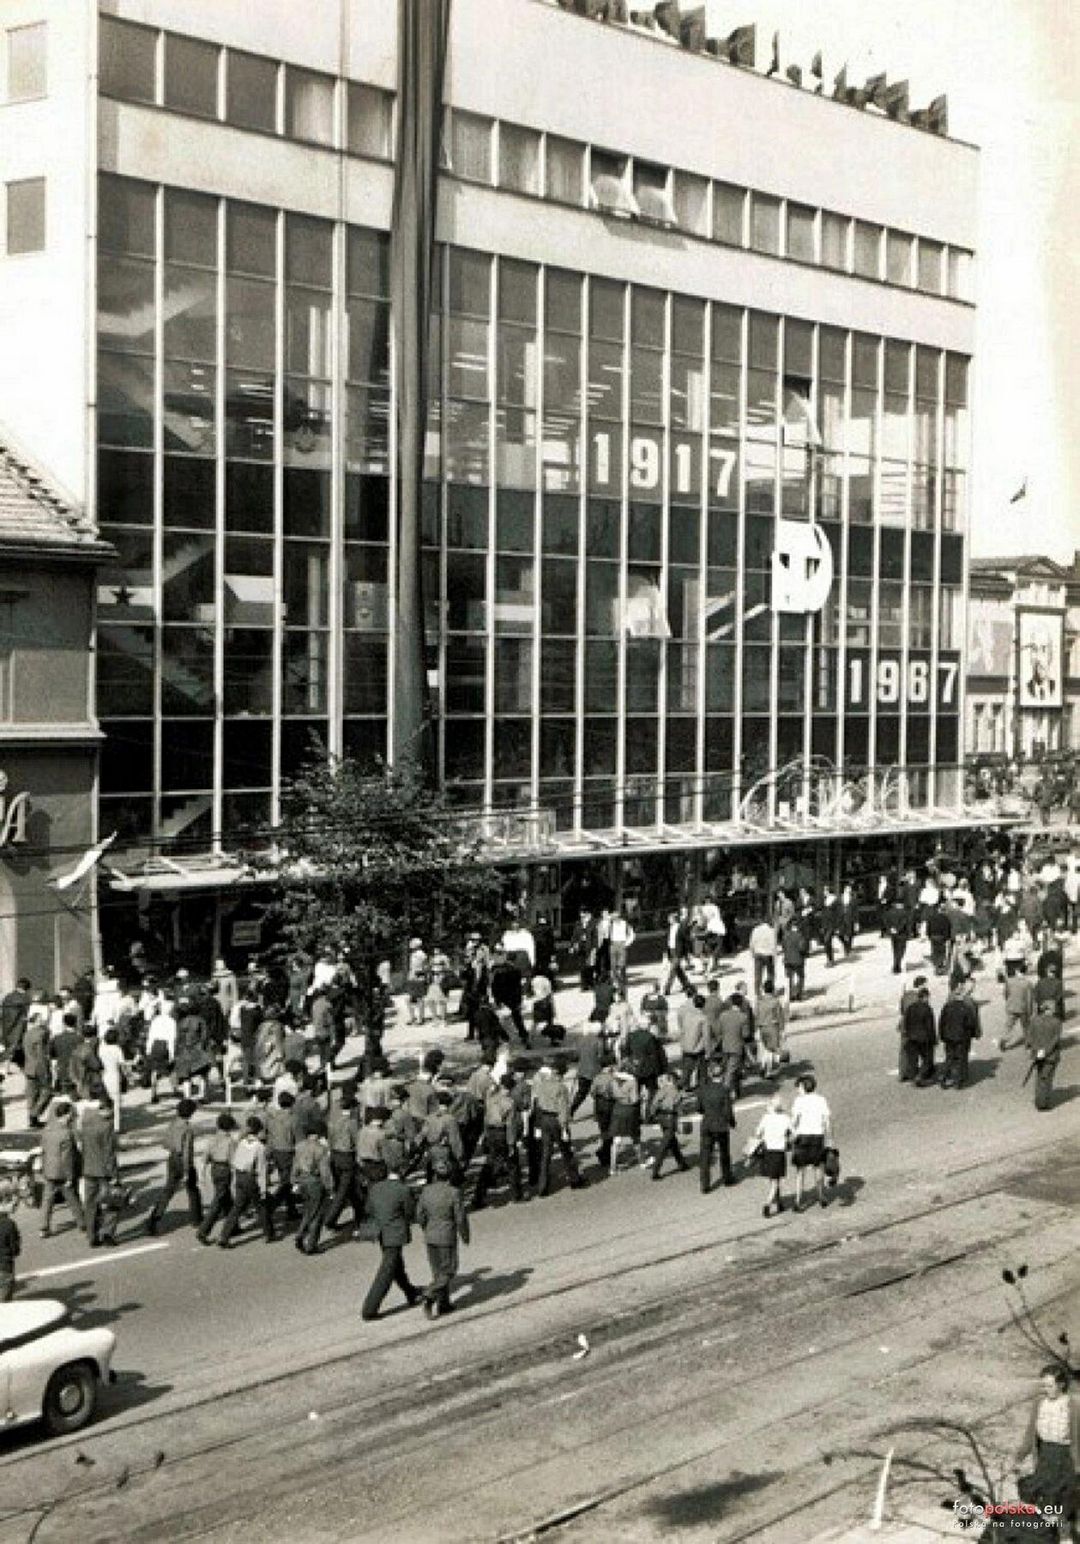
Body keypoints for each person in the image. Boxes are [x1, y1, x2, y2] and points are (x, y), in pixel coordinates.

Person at [1009, 1365, 1080, 1533]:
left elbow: (1078, 1437)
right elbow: (1031, 1433)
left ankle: (1067, 1536)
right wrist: (1019, 1456)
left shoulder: (1073, 1406)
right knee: (1042, 1503)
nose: (1046, 1389)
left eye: (1050, 1386)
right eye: (1044, 1386)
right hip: (1045, 1457)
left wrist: (1078, 1464)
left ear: (1061, 1385)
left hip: (1065, 1459)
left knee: (1063, 1504)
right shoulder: (1039, 1403)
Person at [359, 1165, 422, 1321]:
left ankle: (410, 1291)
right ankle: (370, 1308)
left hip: (381, 1232)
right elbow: (410, 1212)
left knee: (396, 1265)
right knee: (387, 1270)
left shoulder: (375, 1189)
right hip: (396, 1232)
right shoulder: (403, 1190)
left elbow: (368, 1209)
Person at [416, 1152, 471, 1319]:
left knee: (437, 1271)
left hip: (430, 1236)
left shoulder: (426, 1191)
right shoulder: (454, 1193)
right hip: (446, 1236)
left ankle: (443, 1304)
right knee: (448, 1271)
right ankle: (429, 1293)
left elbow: (419, 1215)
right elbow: (460, 1217)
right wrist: (465, 1235)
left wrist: (427, 1227)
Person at [145, 1099, 203, 1235]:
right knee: (193, 1190)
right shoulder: (187, 1129)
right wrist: (187, 1169)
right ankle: (196, 1218)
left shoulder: (172, 1124)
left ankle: (154, 1219)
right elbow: (187, 1151)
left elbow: (165, 1143)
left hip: (172, 1159)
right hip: (183, 1161)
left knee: (168, 1191)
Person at [218, 1116, 275, 1247]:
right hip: (251, 1177)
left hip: (239, 1175)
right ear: (259, 1131)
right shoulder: (260, 1147)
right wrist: (263, 1188)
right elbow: (261, 1169)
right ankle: (269, 1233)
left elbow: (235, 1161)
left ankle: (224, 1236)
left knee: (237, 1207)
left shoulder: (242, 1142)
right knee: (261, 1206)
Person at [533, 1057, 585, 1195]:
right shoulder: (561, 1087)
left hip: (544, 1118)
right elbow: (563, 1109)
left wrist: (538, 1125)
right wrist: (564, 1128)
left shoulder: (542, 1084)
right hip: (556, 1120)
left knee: (546, 1154)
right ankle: (574, 1179)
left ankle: (542, 1186)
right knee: (566, 1151)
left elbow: (538, 1104)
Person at [473, 1073, 524, 1208]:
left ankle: (478, 1195)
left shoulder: (490, 1098)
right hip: (502, 1133)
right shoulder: (509, 1103)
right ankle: (516, 1194)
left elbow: (485, 1117)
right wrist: (512, 1143)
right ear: (511, 1088)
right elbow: (510, 1125)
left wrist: (484, 1135)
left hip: (490, 1132)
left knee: (489, 1163)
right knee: (513, 1164)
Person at [39, 1100, 85, 1237]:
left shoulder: (46, 1131)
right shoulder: (66, 1134)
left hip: (49, 1171)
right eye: (70, 1114)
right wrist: (70, 1177)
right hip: (62, 1173)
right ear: (65, 1115)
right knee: (72, 1199)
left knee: (47, 1201)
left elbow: (44, 1151)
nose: (72, 1116)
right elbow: (67, 1159)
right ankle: (82, 1222)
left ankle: (43, 1227)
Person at [81, 1094, 121, 1247]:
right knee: (113, 1201)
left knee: (90, 1204)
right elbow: (109, 1153)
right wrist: (114, 1175)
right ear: (108, 1109)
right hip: (104, 1171)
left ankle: (91, 1236)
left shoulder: (87, 1121)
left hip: (88, 1168)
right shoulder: (107, 1126)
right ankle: (107, 1234)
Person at [292, 1119, 334, 1254]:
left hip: (302, 1181)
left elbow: (295, 1166)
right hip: (315, 1182)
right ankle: (311, 1245)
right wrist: (330, 1188)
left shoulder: (299, 1146)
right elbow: (325, 1172)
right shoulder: (321, 1149)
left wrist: (294, 1180)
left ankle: (300, 1234)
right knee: (317, 1215)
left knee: (308, 1210)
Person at [790, 1074, 832, 1210]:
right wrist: (830, 1138)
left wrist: (791, 1132)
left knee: (800, 1170)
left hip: (802, 1137)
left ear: (803, 1087)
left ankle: (798, 1200)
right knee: (818, 1167)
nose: (798, 1090)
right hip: (817, 1137)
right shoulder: (821, 1100)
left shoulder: (799, 1101)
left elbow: (794, 1120)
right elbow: (827, 1121)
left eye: (799, 1087)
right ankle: (821, 1196)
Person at [196, 1112, 238, 1244]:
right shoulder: (230, 1141)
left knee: (227, 1199)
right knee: (219, 1201)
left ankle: (234, 1226)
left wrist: (201, 1174)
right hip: (225, 1169)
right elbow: (233, 1160)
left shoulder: (211, 1139)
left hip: (214, 1168)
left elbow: (204, 1159)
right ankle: (203, 1230)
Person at [697, 1062, 736, 1194]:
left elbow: (699, 1108)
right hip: (721, 1125)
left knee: (705, 1155)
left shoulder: (703, 1089)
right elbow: (728, 1111)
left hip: (707, 1124)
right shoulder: (724, 1090)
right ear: (722, 1074)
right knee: (724, 1153)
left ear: (710, 1073)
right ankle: (727, 1177)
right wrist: (732, 1122)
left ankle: (705, 1184)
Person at [754, 1093, 793, 1218]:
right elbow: (794, 1132)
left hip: (767, 1151)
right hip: (779, 1152)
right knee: (776, 1180)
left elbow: (758, 1132)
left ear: (771, 1106)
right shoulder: (785, 1118)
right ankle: (769, 1203)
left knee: (773, 1179)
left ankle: (778, 1202)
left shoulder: (766, 1118)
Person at [649, 1071, 689, 1181]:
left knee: (672, 1142)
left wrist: (653, 1114)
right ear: (674, 1080)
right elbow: (678, 1108)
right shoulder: (676, 1091)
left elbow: (654, 1103)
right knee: (665, 1145)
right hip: (671, 1118)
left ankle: (682, 1163)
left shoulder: (662, 1090)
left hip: (661, 1117)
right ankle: (655, 1170)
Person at [938, 983, 979, 1090]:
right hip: (961, 1037)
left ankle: (943, 1077)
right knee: (961, 1058)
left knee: (949, 1057)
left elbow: (941, 1022)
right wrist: (973, 1033)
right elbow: (970, 1023)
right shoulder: (965, 1008)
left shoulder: (947, 1007)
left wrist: (942, 1035)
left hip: (948, 1037)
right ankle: (958, 1081)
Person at [1028, 998, 1064, 1112]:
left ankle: (1039, 1100)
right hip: (1050, 1055)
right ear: (1050, 1009)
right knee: (1046, 1078)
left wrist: (1036, 1050)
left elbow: (1029, 1038)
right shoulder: (1056, 1022)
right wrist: (1045, 1051)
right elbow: (1055, 1040)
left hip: (1037, 1054)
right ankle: (1043, 1103)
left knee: (1040, 1077)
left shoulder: (1034, 1020)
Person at [609, 1062, 644, 1173]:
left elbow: (610, 1094)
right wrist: (641, 1098)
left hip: (618, 1108)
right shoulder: (632, 1081)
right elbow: (634, 1099)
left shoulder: (614, 1080)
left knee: (616, 1140)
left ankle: (613, 1168)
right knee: (635, 1137)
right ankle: (641, 1161)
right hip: (630, 1110)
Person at [901, 984, 938, 1087]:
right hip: (924, 1039)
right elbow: (930, 1026)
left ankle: (913, 1076)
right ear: (925, 997)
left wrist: (908, 1034)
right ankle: (921, 1076)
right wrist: (933, 1039)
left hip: (911, 1038)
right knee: (927, 1059)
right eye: (928, 997)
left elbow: (906, 1022)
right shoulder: (927, 1009)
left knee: (913, 1059)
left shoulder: (910, 1008)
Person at [21, 1008, 52, 1128]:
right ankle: (35, 1113)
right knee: (46, 1091)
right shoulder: (41, 1033)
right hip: (39, 1066)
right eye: (40, 1019)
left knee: (31, 1094)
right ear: (36, 1021)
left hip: (29, 1065)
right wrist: (45, 1069)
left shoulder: (27, 1034)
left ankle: (32, 1117)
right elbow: (41, 1054)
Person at [676, 992, 709, 1092]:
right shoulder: (703, 1018)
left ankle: (683, 1084)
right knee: (702, 1068)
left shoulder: (687, 1015)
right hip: (697, 1048)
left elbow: (682, 1027)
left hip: (685, 1045)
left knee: (687, 1069)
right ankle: (702, 1086)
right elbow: (706, 1036)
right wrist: (708, 1051)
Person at [999, 967, 1037, 1053]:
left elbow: (1005, 994)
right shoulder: (1028, 983)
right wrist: (1030, 1011)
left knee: (1009, 1026)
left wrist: (1009, 1002)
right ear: (1026, 972)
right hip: (1023, 1008)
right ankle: (1028, 1044)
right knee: (1026, 1027)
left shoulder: (1009, 981)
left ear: (1017, 971)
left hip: (1011, 1006)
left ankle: (1003, 1040)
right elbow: (1029, 998)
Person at [756, 984, 787, 1079]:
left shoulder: (759, 1002)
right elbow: (780, 1016)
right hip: (773, 1027)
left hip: (762, 1027)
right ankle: (768, 1071)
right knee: (771, 1050)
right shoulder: (775, 1002)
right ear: (773, 990)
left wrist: (756, 1029)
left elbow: (756, 1015)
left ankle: (762, 1065)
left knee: (764, 1049)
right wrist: (782, 1030)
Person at [0, 1182, 21, 1301]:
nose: (16, 1205)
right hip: (4, 1267)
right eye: (14, 1202)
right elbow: (15, 1250)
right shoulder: (9, 1224)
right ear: (4, 1201)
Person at [749, 916, 777, 996]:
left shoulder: (755, 930)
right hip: (768, 954)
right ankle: (770, 990)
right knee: (770, 974)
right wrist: (775, 957)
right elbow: (773, 945)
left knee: (758, 974)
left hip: (758, 953)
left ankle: (757, 992)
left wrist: (752, 953)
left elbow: (752, 943)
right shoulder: (771, 931)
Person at [781, 921, 807, 1003]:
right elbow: (802, 948)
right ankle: (799, 994)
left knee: (789, 978)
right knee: (800, 977)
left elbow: (783, 947)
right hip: (798, 960)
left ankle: (791, 995)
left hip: (788, 960)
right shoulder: (800, 936)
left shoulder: (785, 936)